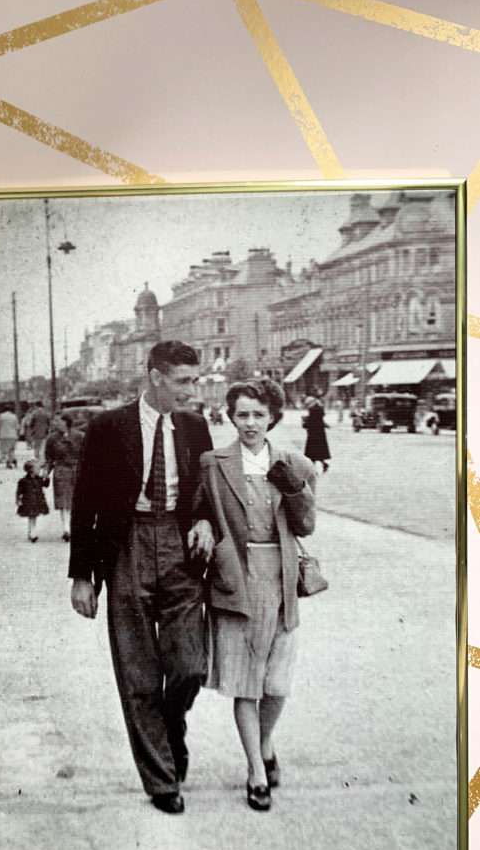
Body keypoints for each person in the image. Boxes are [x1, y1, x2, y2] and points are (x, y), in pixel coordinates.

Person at [69, 340, 215, 815]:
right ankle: (162, 781)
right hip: (126, 547)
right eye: (183, 382)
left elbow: (205, 493)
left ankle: (172, 728)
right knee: (138, 673)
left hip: (179, 547)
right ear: (155, 377)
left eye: (194, 381)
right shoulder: (109, 427)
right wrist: (83, 577)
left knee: (191, 665)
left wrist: (203, 520)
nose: (191, 392)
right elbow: (85, 501)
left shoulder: (196, 427)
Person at [195, 378, 316, 812]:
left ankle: (265, 743)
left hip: (281, 581)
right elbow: (199, 508)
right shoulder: (213, 463)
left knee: (278, 684)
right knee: (246, 683)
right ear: (231, 416)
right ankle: (256, 770)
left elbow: (305, 526)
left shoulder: (294, 462)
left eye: (258, 415)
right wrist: (205, 525)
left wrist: (294, 489)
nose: (249, 423)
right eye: (242, 414)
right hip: (236, 581)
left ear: (272, 418)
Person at [44, 413, 82, 541]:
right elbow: (49, 458)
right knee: (63, 501)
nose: (55, 423)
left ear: (66, 422)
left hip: (77, 471)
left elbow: (87, 454)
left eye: (58, 421)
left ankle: (75, 527)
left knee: (78, 501)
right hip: (61, 471)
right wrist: (45, 473)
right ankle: (67, 529)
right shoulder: (52, 439)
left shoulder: (79, 436)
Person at [16, 459, 49, 542]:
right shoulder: (23, 481)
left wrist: (46, 477)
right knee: (32, 517)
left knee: (33, 517)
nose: (39, 470)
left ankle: (31, 532)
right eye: (38, 469)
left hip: (37, 501)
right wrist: (18, 500)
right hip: (28, 502)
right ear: (31, 470)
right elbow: (19, 492)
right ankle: (32, 533)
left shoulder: (39, 479)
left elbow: (46, 485)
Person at [303, 394, 331, 473]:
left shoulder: (313, 410)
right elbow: (319, 420)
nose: (307, 406)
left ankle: (313, 466)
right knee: (319, 450)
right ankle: (323, 464)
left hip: (313, 433)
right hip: (319, 433)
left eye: (307, 404)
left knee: (312, 450)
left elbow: (312, 421)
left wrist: (305, 422)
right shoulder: (319, 408)